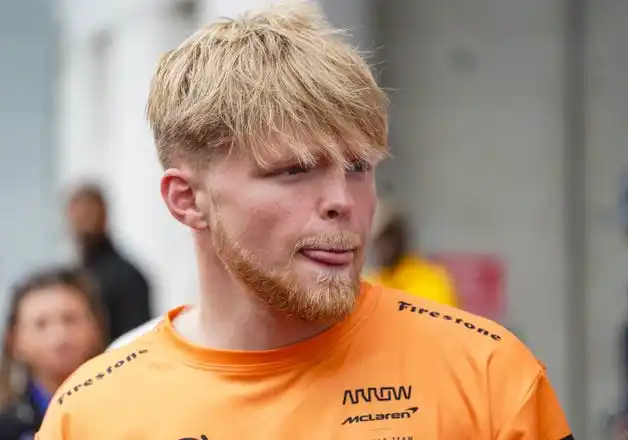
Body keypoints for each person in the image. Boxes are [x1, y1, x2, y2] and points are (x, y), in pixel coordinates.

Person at [37, 4, 573, 439]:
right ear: (186, 200)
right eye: (294, 171)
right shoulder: (91, 415)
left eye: (359, 168)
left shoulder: (486, 376)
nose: (343, 200)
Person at [0, 267, 104, 439]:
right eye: (41, 324)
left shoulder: (127, 406)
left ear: (95, 327)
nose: (59, 336)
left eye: (70, 319)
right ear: (14, 341)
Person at [66, 184, 152, 342]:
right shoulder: (79, 272)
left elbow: (136, 339)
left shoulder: (126, 276)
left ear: (104, 215)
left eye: (88, 213)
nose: (82, 221)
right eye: (77, 215)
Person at [367, 200, 459, 307]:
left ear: (401, 237)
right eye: (377, 241)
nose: (383, 247)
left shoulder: (431, 281)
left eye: (388, 237)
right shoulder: (372, 283)